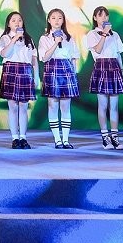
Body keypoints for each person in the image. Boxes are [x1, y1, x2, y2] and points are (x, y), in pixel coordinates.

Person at [38, 8, 80, 149]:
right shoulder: (44, 38)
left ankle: (66, 140)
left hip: (67, 70)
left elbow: (74, 58)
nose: (57, 20)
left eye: (60, 18)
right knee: (53, 105)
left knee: (66, 106)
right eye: (53, 18)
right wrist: (55, 42)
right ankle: (57, 140)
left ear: (63, 21)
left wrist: (74, 74)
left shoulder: (69, 38)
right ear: (49, 20)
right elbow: (44, 58)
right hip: (52, 69)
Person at [86, 6, 123, 150]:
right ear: (95, 18)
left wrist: (122, 71)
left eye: (106, 15)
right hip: (101, 67)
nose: (104, 18)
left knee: (114, 106)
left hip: (114, 67)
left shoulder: (115, 34)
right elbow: (97, 50)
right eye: (100, 15)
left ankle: (115, 137)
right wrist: (104, 33)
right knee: (103, 105)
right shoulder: (92, 34)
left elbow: (119, 54)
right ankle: (105, 138)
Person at [0, 11, 38, 149]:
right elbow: (4, 53)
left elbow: (34, 59)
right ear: (8, 24)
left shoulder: (28, 39)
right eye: (13, 20)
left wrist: (36, 76)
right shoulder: (5, 38)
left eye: (19, 20)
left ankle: (23, 137)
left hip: (25, 71)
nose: (17, 22)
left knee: (24, 107)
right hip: (11, 70)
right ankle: (15, 138)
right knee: (13, 107)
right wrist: (14, 38)